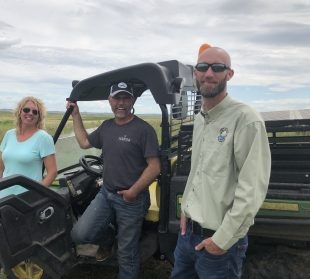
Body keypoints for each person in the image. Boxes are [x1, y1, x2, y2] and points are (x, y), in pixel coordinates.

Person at [170, 47, 271, 279]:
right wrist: (186, 208)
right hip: (187, 236)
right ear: (195, 73)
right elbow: (197, 171)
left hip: (218, 243)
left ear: (230, 74)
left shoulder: (246, 119)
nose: (209, 73)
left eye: (217, 68)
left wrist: (222, 240)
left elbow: (252, 189)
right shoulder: (200, 119)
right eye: (203, 67)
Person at [66, 82, 161, 279]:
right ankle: (108, 240)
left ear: (132, 101)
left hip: (132, 199)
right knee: (80, 235)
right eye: (117, 98)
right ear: (109, 101)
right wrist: (76, 114)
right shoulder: (106, 127)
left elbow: (155, 167)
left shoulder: (143, 130)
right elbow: (84, 142)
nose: (121, 102)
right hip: (106, 193)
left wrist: (133, 192)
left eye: (125, 98)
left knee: (127, 252)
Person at [0, 96, 57, 279]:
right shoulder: (8, 135)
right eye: (26, 110)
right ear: (19, 112)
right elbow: (0, 167)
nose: (30, 114)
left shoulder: (43, 138)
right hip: (2, 200)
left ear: (39, 116)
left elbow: (52, 172)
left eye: (35, 112)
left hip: (23, 204)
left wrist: (35, 197)